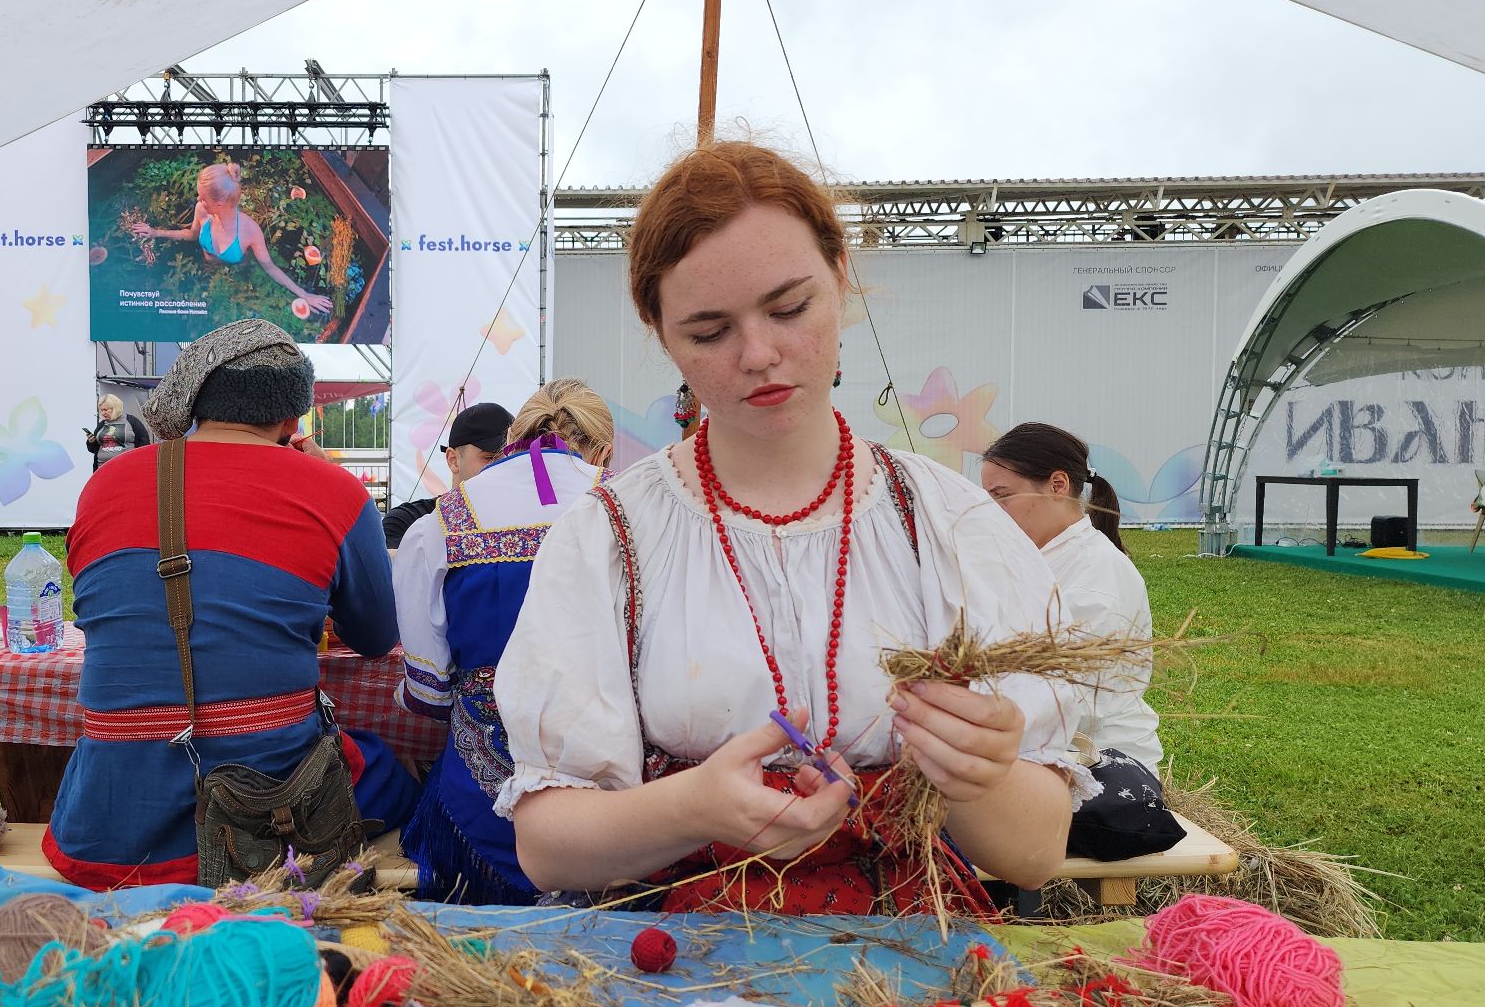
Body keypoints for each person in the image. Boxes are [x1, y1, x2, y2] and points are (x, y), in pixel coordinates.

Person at [492, 142, 1095, 916]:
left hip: (906, 957)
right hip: (675, 961)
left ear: (841, 276)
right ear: (662, 334)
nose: (760, 354)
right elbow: (546, 850)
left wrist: (976, 777)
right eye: (708, 331)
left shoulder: (953, 526)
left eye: (788, 309)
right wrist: (691, 809)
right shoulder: (610, 537)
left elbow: (1035, 853)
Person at [45, 319, 418, 890]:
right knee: (393, 774)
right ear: (293, 420)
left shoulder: (105, 484)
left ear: (198, 406)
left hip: (107, 826)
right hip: (266, 820)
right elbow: (375, 636)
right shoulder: (334, 490)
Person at [393, 379, 614, 904]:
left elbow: (428, 692)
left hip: (481, 793)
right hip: (611, 786)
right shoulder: (629, 505)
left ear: (516, 436)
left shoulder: (443, 521)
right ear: (604, 450)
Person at [980, 423, 1161, 773]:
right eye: (987, 500)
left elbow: (1081, 701)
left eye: (1002, 496)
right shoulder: (1035, 558)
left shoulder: (1097, 574)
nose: (992, 512)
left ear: (1057, 485)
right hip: (1040, 746)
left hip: (1100, 762)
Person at [129, 162, 334, 316]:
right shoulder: (202, 211)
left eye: (202, 197)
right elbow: (192, 235)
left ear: (218, 203)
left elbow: (270, 267)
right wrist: (155, 232)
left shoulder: (250, 231)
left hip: (236, 271)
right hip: (207, 264)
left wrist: (304, 294)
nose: (198, 200)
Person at [382, 402, 515, 549]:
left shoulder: (522, 520)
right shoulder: (405, 522)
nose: (503, 466)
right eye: (489, 458)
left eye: (512, 457)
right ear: (453, 460)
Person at [85, 393, 151, 471]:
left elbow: (144, 441)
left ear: (115, 407)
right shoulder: (102, 424)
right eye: (101, 410)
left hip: (127, 468)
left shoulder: (131, 421)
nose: (103, 413)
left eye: (105, 409)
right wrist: (91, 442)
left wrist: (138, 462)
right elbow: (93, 449)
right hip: (102, 469)